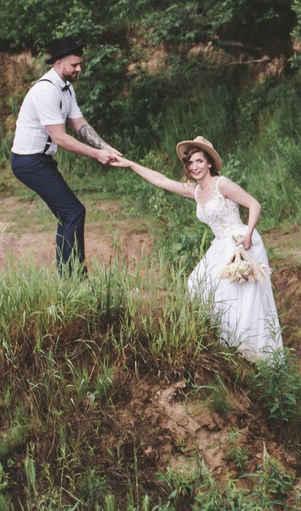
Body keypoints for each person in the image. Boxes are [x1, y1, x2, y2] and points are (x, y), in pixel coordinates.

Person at [112, 136, 283, 360]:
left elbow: (254, 204)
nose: (194, 167)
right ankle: (226, 346)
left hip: (241, 242)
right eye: (190, 163)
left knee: (242, 298)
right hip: (220, 245)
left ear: (209, 163)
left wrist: (249, 233)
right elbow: (161, 180)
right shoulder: (195, 191)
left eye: (199, 161)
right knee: (196, 284)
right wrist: (130, 164)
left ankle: (253, 354)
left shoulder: (222, 184)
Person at [10, 37, 124, 271]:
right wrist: (96, 155)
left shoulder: (66, 88)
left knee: (69, 214)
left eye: (80, 64)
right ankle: (73, 276)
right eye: (74, 65)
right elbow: (60, 138)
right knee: (73, 212)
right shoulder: (45, 90)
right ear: (59, 63)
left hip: (41, 161)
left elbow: (80, 125)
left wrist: (105, 147)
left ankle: (69, 276)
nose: (79, 69)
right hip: (28, 162)